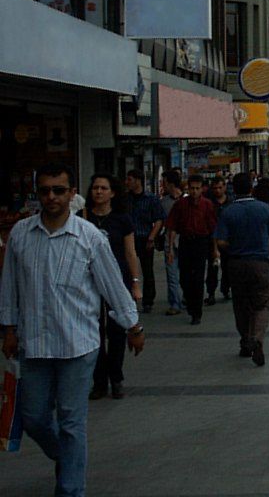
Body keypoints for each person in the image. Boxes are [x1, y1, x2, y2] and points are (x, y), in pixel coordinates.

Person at [1, 163, 144, 497]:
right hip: (34, 343)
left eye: (59, 190)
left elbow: (112, 285)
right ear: (37, 193)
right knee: (33, 416)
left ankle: (71, 489)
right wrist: (8, 327)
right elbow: (9, 284)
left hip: (78, 345)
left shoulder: (90, 237)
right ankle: (67, 458)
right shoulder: (21, 233)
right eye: (45, 191)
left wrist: (133, 324)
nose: (51, 197)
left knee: (71, 421)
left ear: (71, 193)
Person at [82, 174, 142, 401]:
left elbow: (130, 253)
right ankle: (99, 381)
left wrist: (135, 284)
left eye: (103, 188)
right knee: (93, 332)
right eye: (95, 188)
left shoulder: (122, 219)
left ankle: (116, 378)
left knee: (117, 331)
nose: (98, 192)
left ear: (112, 193)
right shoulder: (81, 218)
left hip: (118, 281)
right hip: (90, 283)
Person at [214, 173, 269, 366]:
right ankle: (257, 338)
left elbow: (220, 241)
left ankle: (245, 341)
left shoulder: (228, 212)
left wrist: (233, 247)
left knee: (241, 305)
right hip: (260, 263)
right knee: (262, 302)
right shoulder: (265, 209)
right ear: (251, 188)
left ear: (234, 189)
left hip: (236, 263)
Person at [165, 174, 218, 325]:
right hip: (185, 243)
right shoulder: (181, 204)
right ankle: (189, 300)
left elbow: (213, 228)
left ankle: (197, 312)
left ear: (202, 189)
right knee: (185, 278)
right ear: (188, 188)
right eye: (192, 188)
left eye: (197, 188)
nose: (194, 191)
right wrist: (170, 250)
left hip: (201, 243)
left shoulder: (207, 205)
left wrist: (214, 249)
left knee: (198, 278)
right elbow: (172, 227)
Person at [124, 168, 165, 314]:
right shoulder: (125, 199)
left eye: (130, 179)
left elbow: (159, 219)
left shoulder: (151, 198)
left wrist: (152, 237)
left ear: (138, 180)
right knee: (128, 270)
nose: (127, 182)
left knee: (147, 270)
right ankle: (130, 297)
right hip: (129, 239)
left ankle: (148, 300)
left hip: (145, 237)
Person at [159, 170, 184, 316]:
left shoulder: (186, 200)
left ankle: (186, 299)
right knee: (172, 275)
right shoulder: (164, 203)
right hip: (170, 243)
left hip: (186, 242)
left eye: (164, 183)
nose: (163, 186)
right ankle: (175, 303)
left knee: (187, 275)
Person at [206, 176, 232, 302]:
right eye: (215, 188)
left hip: (227, 240)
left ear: (225, 187)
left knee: (227, 267)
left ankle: (226, 289)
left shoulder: (231, 202)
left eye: (220, 188)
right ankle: (211, 292)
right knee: (212, 267)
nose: (217, 190)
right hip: (212, 239)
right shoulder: (209, 203)